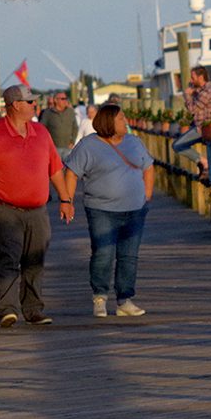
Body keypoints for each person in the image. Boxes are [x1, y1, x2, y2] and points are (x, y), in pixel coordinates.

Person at [0, 84, 74, 327]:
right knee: (8, 258)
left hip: (38, 211)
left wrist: (65, 199)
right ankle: (8, 309)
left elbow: (55, 169)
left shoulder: (42, 133)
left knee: (35, 260)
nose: (35, 105)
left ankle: (33, 309)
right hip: (5, 210)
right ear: (15, 105)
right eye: (30, 102)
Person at [63, 103, 154, 318]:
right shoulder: (88, 145)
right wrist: (67, 201)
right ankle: (100, 297)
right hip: (101, 209)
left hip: (135, 209)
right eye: (121, 118)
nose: (126, 122)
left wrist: (146, 196)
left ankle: (124, 299)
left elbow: (148, 167)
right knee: (103, 253)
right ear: (108, 122)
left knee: (129, 256)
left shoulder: (134, 142)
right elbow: (71, 173)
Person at [40, 90, 78, 159]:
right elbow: (42, 129)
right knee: (56, 169)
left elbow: (75, 127)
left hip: (68, 147)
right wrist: (48, 143)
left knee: (67, 168)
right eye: (63, 99)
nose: (65, 100)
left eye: (66, 98)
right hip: (54, 148)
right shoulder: (48, 113)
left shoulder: (70, 111)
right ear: (55, 100)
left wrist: (72, 141)